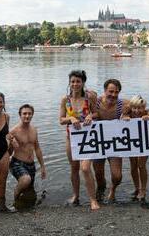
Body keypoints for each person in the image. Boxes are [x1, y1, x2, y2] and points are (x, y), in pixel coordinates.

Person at [59, 70, 100, 210]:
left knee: (86, 168)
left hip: (88, 138)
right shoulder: (65, 100)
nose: (75, 84)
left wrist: (91, 116)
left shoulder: (89, 98)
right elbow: (61, 120)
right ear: (69, 83)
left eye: (78, 81)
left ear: (83, 83)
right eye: (73, 81)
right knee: (74, 168)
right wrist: (70, 118)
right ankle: (76, 195)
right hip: (71, 138)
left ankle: (93, 200)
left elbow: (97, 113)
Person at [92, 79, 129, 202]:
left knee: (117, 176)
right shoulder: (95, 102)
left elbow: (142, 108)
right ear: (104, 91)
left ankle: (113, 189)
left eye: (116, 92)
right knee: (98, 174)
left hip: (115, 143)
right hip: (98, 142)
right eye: (110, 91)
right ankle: (100, 191)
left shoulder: (123, 104)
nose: (113, 95)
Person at [8, 104, 46, 206]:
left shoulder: (34, 129)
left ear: (32, 115)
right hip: (17, 162)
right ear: (20, 115)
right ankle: (14, 202)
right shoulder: (14, 131)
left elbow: (37, 149)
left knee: (30, 191)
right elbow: (8, 153)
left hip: (31, 164)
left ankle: (26, 204)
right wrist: (12, 144)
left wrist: (42, 166)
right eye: (24, 113)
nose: (27, 116)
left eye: (29, 114)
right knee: (26, 180)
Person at [121, 95, 149, 204]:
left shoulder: (147, 112)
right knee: (133, 165)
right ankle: (137, 188)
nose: (137, 110)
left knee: (141, 165)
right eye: (134, 108)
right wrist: (124, 117)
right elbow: (120, 121)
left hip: (144, 143)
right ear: (131, 107)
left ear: (144, 108)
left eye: (140, 108)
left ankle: (143, 190)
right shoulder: (128, 113)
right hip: (132, 143)